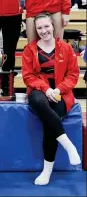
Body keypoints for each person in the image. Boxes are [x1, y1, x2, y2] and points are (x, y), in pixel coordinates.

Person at [22, 12, 81, 185]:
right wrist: (45, 88)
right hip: (40, 90)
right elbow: (28, 76)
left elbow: (73, 75)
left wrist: (58, 89)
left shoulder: (66, 48)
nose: (43, 30)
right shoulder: (30, 49)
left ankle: (46, 171)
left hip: (62, 93)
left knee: (50, 124)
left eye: (46, 26)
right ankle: (68, 144)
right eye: (39, 28)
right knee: (38, 101)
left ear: (53, 26)